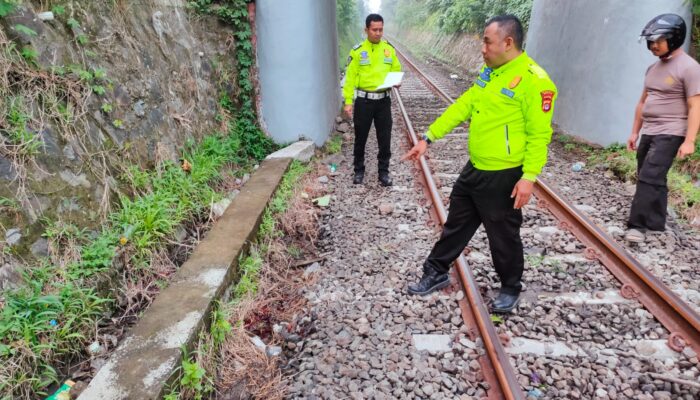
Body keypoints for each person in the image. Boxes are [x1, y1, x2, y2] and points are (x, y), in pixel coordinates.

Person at [402, 15, 557, 313]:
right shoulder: (491, 73)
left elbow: (540, 135)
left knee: (503, 237)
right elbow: (464, 105)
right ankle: (435, 271)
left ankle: (510, 287)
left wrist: (529, 177)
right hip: (476, 168)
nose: (482, 49)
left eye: (487, 41)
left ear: (508, 43)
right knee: (457, 224)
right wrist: (428, 137)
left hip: (504, 175)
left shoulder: (535, 81)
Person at [625, 14, 699, 243]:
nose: (653, 45)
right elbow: (642, 101)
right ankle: (656, 222)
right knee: (652, 176)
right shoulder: (652, 68)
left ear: (674, 39)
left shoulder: (690, 68)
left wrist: (689, 140)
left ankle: (636, 226)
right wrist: (635, 131)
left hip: (671, 131)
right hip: (650, 131)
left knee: (649, 175)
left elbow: (695, 104)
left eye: (658, 40)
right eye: (650, 41)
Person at [342, 13, 402, 186]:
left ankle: (383, 173)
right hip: (364, 102)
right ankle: (358, 171)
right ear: (366, 29)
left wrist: (397, 81)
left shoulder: (389, 50)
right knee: (361, 138)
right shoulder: (358, 51)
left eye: (380, 29)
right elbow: (350, 78)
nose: (378, 33)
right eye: (374, 29)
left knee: (385, 139)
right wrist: (348, 101)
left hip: (384, 102)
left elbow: (396, 70)